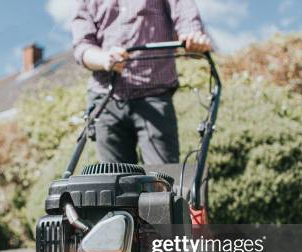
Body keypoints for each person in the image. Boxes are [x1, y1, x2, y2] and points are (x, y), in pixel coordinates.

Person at [72, 0, 212, 165]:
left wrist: (192, 36)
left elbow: (185, 16)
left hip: (155, 96)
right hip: (105, 100)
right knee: (114, 184)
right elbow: (82, 46)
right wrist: (105, 59)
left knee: (162, 181)